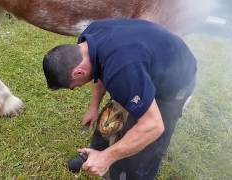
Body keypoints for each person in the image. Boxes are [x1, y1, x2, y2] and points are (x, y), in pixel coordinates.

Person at [42, 19, 196, 179]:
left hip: (173, 83)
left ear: (78, 73)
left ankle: (118, 167)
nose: (76, 88)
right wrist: (93, 107)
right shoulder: (88, 40)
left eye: (74, 86)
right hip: (140, 67)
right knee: (110, 121)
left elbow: (153, 126)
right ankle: (93, 154)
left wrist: (107, 158)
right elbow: (98, 70)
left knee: (144, 149)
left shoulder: (121, 70)